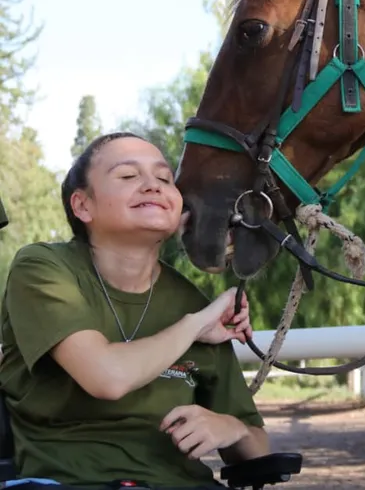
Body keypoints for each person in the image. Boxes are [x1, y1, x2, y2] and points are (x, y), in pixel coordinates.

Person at [0, 132, 269, 488]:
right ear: (82, 206)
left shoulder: (194, 303)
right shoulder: (43, 268)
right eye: (128, 176)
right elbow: (107, 377)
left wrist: (230, 428)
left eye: (165, 178)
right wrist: (195, 325)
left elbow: (260, 453)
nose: (152, 186)